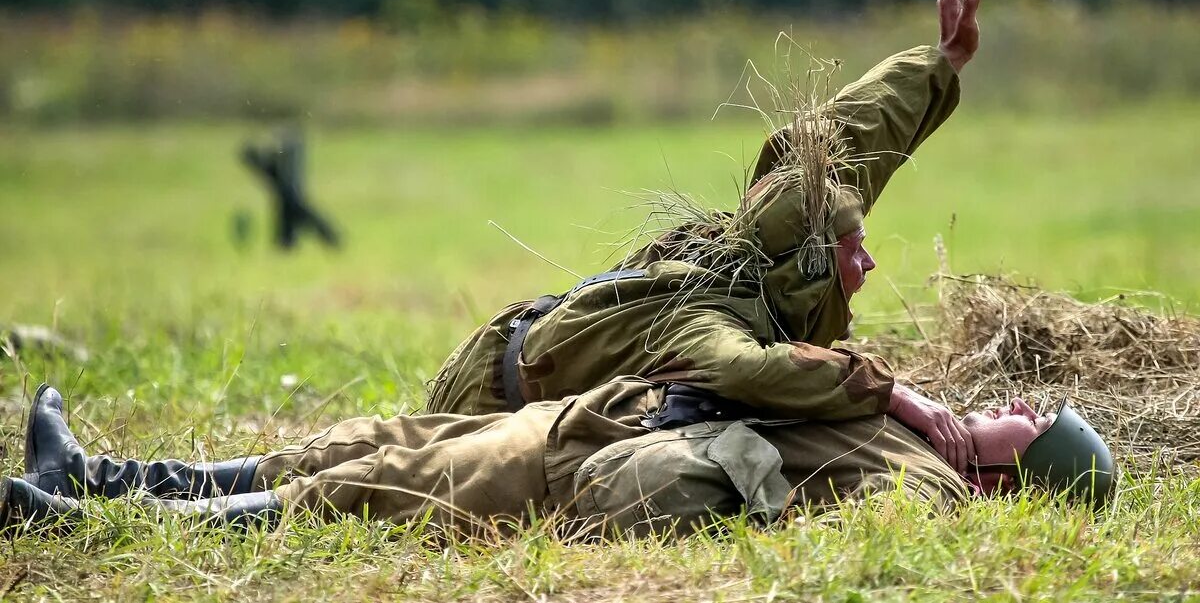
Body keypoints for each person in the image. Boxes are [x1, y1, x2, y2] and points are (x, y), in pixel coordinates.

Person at [424, 0, 987, 477]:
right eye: (852, 250)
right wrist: (891, 393)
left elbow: (854, 131)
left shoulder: (780, 227)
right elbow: (745, 369)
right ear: (808, 267)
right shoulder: (712, 315)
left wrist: (942, 60)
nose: (869, 264)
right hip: (483, 400)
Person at [1, 380, 1114, 534]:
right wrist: (910, 395)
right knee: (375, 440)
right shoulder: (925, 429)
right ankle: (99, 471)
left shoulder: (927, 486)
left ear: (1020, 471)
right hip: (610, 416)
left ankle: (70, 517)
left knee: (359, 492)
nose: (1014, 400)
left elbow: (805, 511)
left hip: (620, 464)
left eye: (1035, 415)